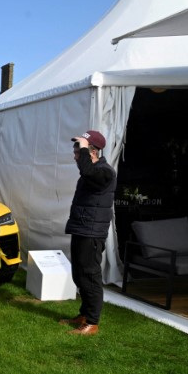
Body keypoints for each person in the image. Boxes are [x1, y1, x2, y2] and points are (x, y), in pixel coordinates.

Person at [60, 130, 117, 336]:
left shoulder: (104, 172)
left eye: (79, 151)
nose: (75, 156)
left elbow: (87, 171)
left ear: (92, 152)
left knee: (90, 276)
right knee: (79, 274)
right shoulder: (94, 170)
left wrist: (84, 147)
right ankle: (84, 314)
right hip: (83, 229)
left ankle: (92, 323)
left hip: (92, 232)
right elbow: (86, 171)